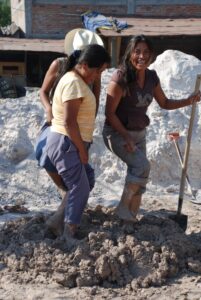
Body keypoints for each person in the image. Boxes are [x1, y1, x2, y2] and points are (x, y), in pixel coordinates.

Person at [102, 34, 201, 223]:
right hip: (116, 133)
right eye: (137, 51)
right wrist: (126, 137)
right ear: (129, 53)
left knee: (139, 171)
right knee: (142, 166)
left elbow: (164, 103)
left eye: (146, 52)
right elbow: (109, 114)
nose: (142, 56)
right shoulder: (120, 78)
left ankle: (130, 216)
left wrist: (188, 101)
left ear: (151, 55)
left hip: (139, 133)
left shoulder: (151, 77)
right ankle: (123, 213)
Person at [35, 29, 105, 235]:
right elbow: (65, 117)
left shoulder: (88, 74)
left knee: (84, 180)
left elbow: (95, 100)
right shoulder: (65, 72)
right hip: (62, 132)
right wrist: (49, 110)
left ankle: (58, 220)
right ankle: (67, 228)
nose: (97, 75)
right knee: (76, 184)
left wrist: (86, 132)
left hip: (74, 133)